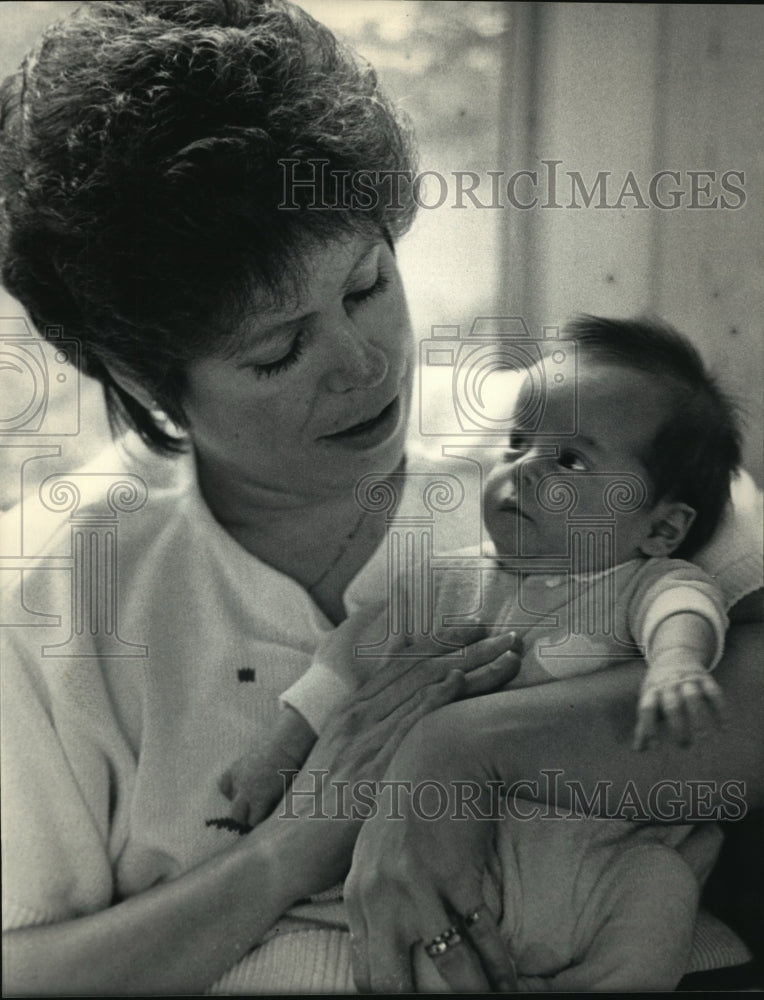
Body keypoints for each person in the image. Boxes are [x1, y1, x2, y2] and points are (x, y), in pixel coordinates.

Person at [0, 0, 760, 995]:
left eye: (365, 287)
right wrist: (297, 845)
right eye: (279, 351)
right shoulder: (50, 597)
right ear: (148, 383)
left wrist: (457, 752)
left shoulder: (573, 445)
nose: (364, 366)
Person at [221, 315, 738, 990]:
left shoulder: (639, 582)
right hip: (459, 863)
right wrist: (281, 749)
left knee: (664, 887)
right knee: (407, 937)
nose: (522, 471)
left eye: (572, 460)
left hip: (600, 865)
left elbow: (684, 610)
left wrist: (675, 663)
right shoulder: (452, 579)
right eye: (518, 443)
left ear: (662, 525)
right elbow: (351, 656)